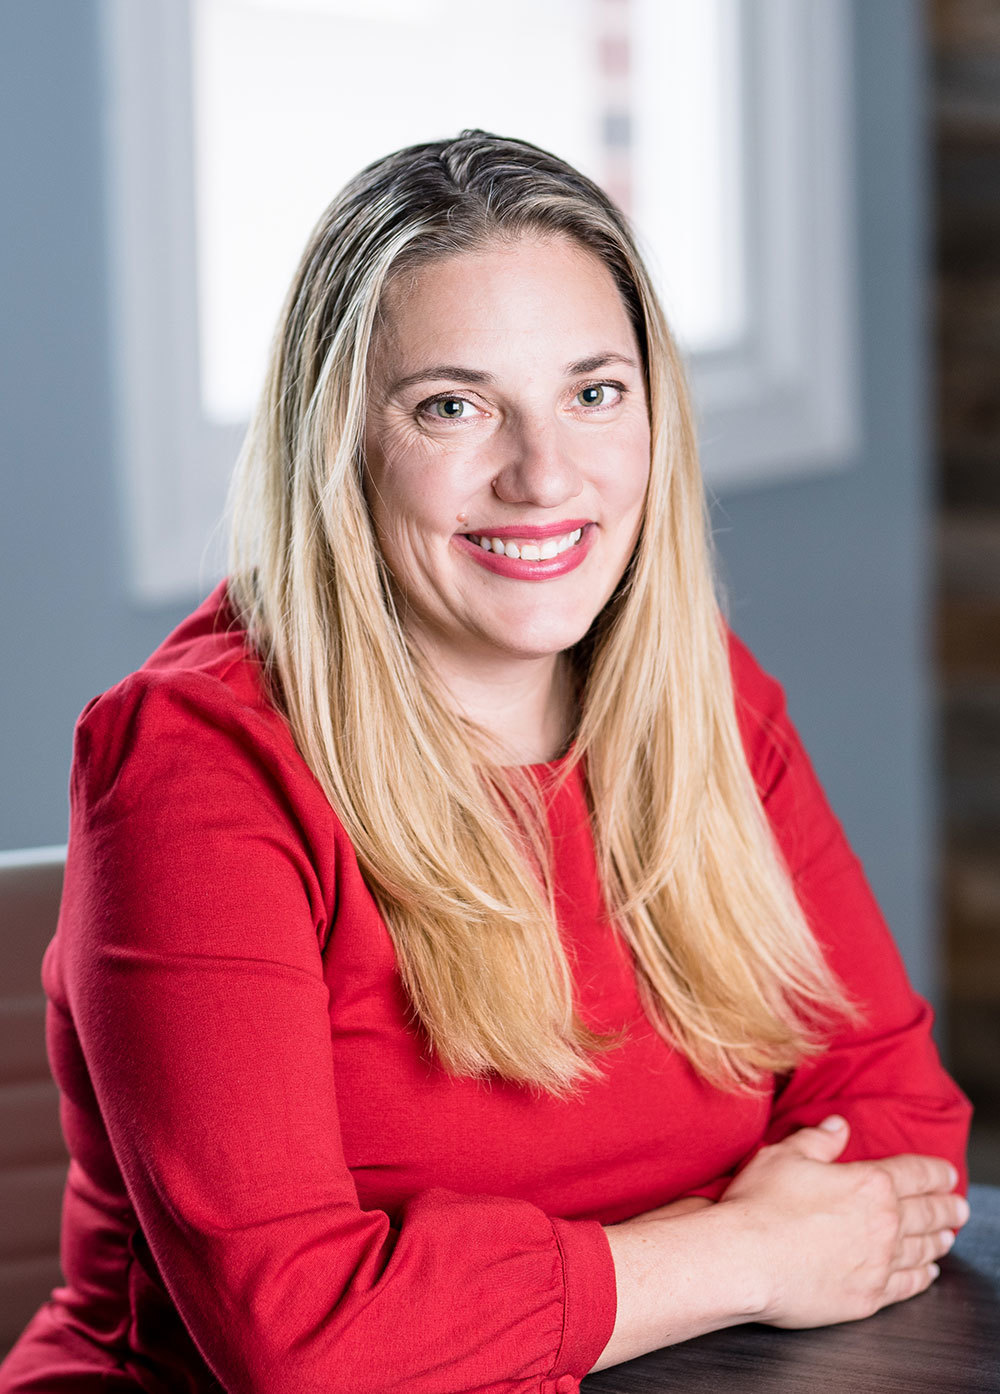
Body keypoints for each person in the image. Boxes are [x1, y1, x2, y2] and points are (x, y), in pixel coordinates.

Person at [0, 130, 972, 1394]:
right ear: (339, 438)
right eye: (453, 405)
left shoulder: (698, 695)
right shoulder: (197, 766)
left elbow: (898, 1125)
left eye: (593, 391)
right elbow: (298, 1338)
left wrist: (539, 1295)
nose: (545, 474)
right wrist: (746, 1252)